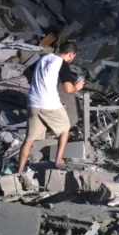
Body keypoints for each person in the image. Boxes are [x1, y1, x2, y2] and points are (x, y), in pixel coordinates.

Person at [17, 41, 84, 174]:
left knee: (29, 139)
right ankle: (59, 160)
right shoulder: (62, 64)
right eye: (73, 57)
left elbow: (26, 72)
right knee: (65, 129)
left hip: (33, 102)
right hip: (49, 104)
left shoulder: (44, 58)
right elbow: (68, 89)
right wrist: (78, 86)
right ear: (71, 54)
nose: (72, 59)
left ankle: (19, 170)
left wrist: (39, 82)